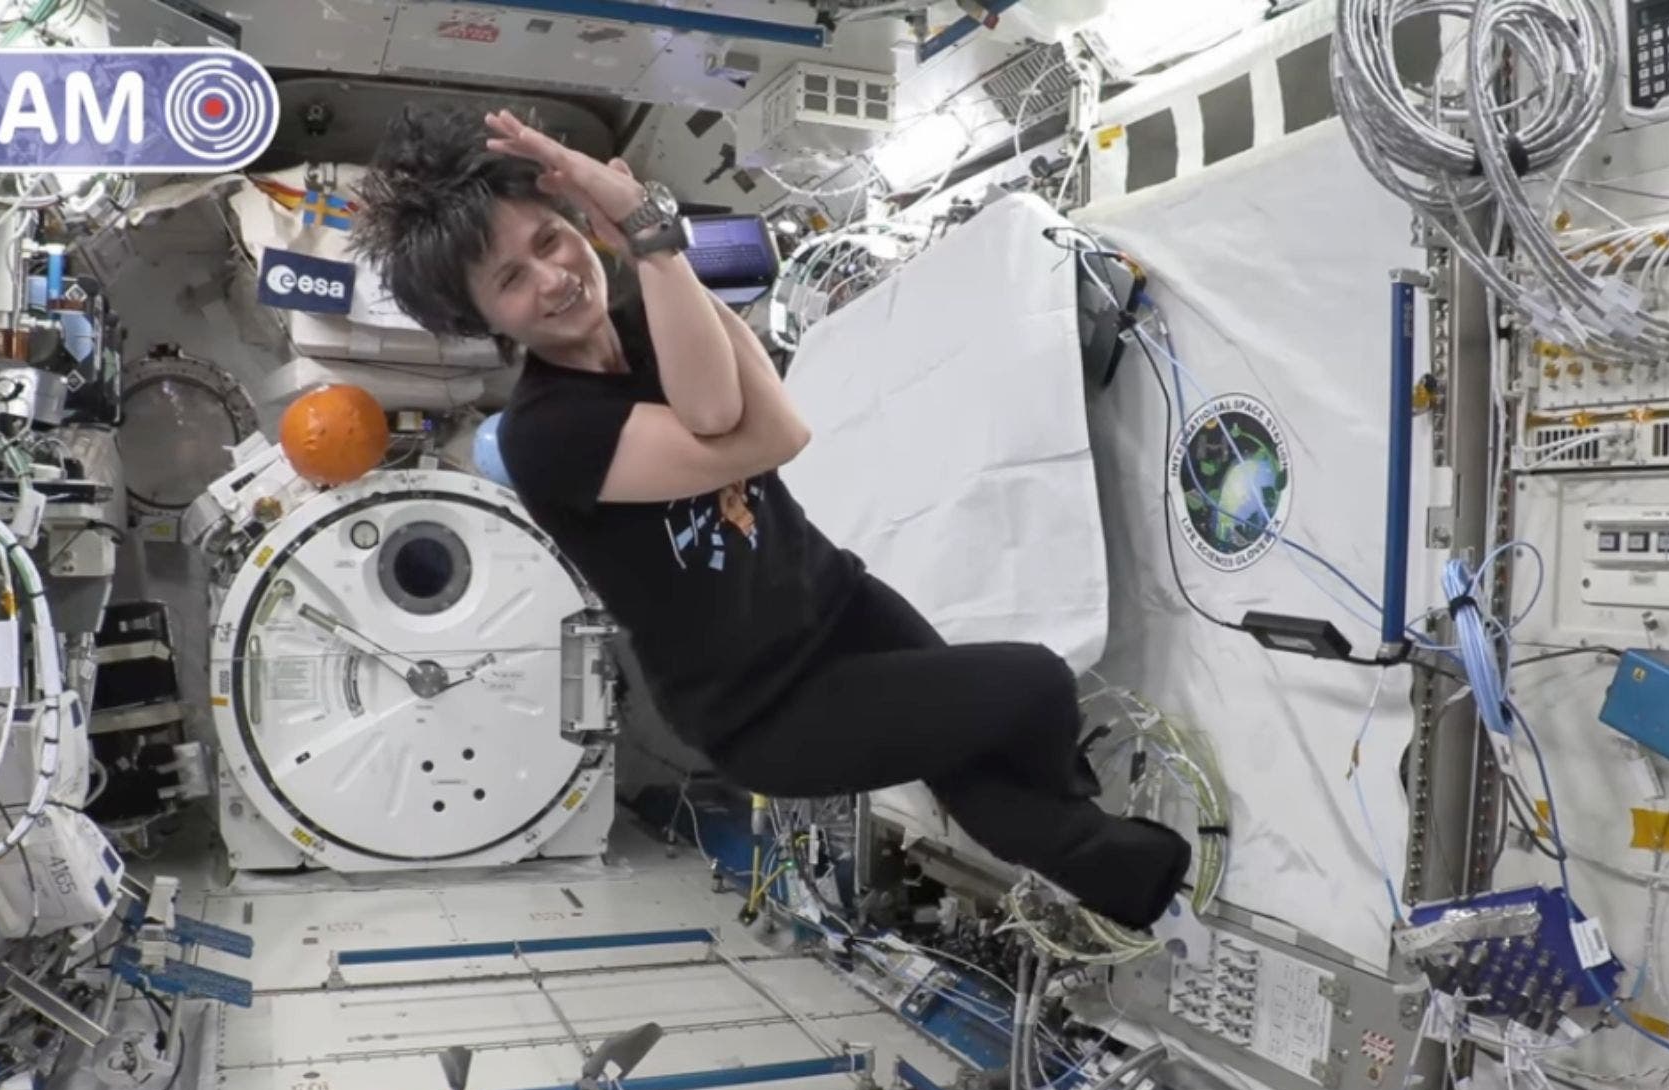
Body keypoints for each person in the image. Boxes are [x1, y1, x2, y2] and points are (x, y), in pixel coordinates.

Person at [351, 106, 1191, 931]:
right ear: (480, 321)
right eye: (510, 279)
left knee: (972, 756)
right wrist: (647, 239)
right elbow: (765, 429)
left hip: (833, 601)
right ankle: (1106, 847)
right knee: (1034, 684)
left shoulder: (647, 318)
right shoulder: (547, 433)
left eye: (551, 239)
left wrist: (645, 238)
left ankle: (1127, 875)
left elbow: (746, 381)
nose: (553, 277)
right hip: (768, 708)